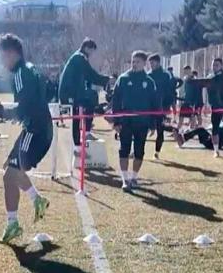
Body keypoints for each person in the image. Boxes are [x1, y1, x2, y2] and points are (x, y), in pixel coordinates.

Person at [0, 33, 52, 244]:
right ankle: (34, 202)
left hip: (36, 132)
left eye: (1, 56)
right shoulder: (30, 69)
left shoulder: (20, 73)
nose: (1, 62)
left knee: (11, 173)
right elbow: (47, 92)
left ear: (11, 53)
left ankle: (14, 223)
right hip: (36, 129)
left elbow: (24, 106)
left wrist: (4, 113)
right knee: (10, 172)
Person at [112, 51, 159, 192]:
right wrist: (116, 121)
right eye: (133, 61)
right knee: (124, 149)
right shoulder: (123, 79)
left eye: (137, 61)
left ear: (144, 63)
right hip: (125, 122)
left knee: (139, 151)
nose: (134, 64)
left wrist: (153, 124)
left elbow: (154, 104)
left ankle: (134, 177)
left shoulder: (149, 82)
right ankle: (125, 179)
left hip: (142, 122)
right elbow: (116, 101)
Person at [58, 38, 110, 147]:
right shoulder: (79, 58)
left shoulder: (78, 57)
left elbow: (87, 77)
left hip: (72, 92)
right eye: (92, 51)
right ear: (87, 48)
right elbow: (90, 74)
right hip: (69, 93)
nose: (92, 54)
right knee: (87, 103)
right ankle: (82, 137)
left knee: (83, 109)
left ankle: (81, 138)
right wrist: (106, 79)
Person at [147, 54, 174, 159]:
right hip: (149, 107)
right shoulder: (148, 75)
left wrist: (167, 107)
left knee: (160, 130)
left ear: (158, 63)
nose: (151, 65)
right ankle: (136, 150)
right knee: (143, 128)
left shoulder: (165, 75)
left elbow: (169, 92)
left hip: (161, 108)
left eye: (152, 63)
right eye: (150, 63)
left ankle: (157, 152)